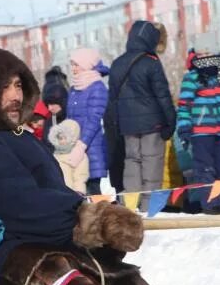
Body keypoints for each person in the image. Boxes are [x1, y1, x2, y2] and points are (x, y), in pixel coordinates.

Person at [0, 46, 189, 285]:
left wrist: (94, 218)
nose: (15, 96)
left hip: (51, 238)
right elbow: (18, 203)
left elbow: (54, 193)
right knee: (52, 268)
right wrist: (89, 218)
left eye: (19, 85)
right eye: (4, 87)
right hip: (4, 258)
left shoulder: (18, 135)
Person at [107, 21, 174, 198]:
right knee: (151, 164)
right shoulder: (151, 62)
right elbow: (163, 96)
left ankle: (131, 207)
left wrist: (117, 125)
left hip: (128, 126)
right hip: (152, 125)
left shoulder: (117, 63)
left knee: (132, 163)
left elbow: (113, 99)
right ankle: (149, 210)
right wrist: (170, 122)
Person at [177, 50, 220, 213]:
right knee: (205, 170)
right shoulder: (192, 77)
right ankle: (211, 207)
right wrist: (185, 129)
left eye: (209, 52)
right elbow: (184, 106)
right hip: (202, 133)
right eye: (202, 53)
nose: (205, 56)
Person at [63, 48, 109, 195]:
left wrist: (81, 145)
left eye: (77, 64)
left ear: (87, 65)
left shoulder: (97, 87)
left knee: (93, 190)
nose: (73, 68)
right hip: (73, 145)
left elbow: (94, 119)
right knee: (77, 189)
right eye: (72, 65)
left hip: (90, 146)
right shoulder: (74, 88)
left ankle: (101, 218)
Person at [48, 119, 89, 193]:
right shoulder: (55, 154)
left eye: (65, 138)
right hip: (57, 192)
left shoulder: (78, 155)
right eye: (60, 138)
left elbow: (80, 176)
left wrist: (79, 191)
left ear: (73, 137)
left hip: (72, 192)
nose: (62, 141)